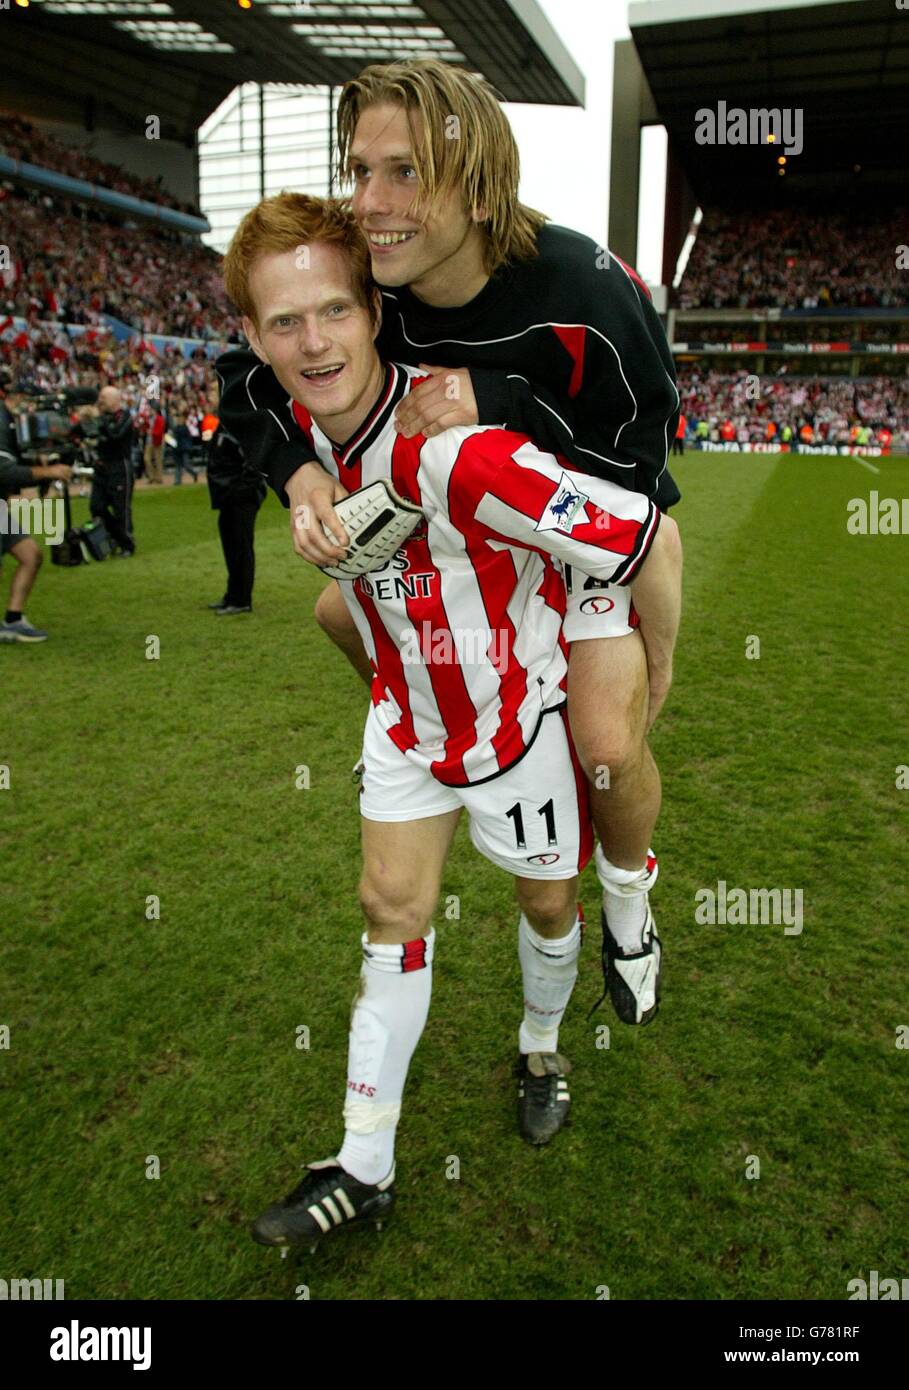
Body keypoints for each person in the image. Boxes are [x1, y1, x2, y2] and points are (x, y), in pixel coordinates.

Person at [222, 193, 681, 1249]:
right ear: (254, 335)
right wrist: (294, 480)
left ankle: (539, 1047)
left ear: (373, 312)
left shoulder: (458, 451)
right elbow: (250, 410)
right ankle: (363, 1162)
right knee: (391, 908)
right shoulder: (292, 424)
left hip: (515, 722)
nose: (314, 341)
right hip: (407, 720)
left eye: (334, 311)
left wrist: (651, 658)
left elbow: (630, 528)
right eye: (285, 323)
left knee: (546, 905)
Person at [217, 59, 681, 1026]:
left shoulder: (582, 280)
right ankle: (434, 732)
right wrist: (299, 475)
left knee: (603, 742)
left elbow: (641, 456)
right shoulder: (373, 270)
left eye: (402, 173)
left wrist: (502, 404)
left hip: (584, 523)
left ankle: (629, 895)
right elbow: (248, 370)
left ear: (475, 183)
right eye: (359, 170)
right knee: (335, 607)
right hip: (460, 520)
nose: (368, 205)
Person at [0, 391, 73, 642]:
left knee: (31, 556)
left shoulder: (10, 421)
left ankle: (13, 619)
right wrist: (47, 471)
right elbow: (5, 472)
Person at [203, 383, 267, 614]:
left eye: (211, 392)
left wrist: (242, 490)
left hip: (239, 498)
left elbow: (253, 461)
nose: (207, 397)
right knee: (232, 546)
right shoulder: (225, 421)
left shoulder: (239, 422)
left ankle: (241, 600)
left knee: (240, 547)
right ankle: (232, 594)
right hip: (229, 498)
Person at [89, 386, 136, 556]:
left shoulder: (125, 416)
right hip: (102, 467)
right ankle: (116, 536)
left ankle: (127, 544)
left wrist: (99, 420)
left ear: (115, 400)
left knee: (120, 508)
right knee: (96, 506)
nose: (100, 400)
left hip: (119, 467)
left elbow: (115, 435)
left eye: (103, 397)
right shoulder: (100, 417)